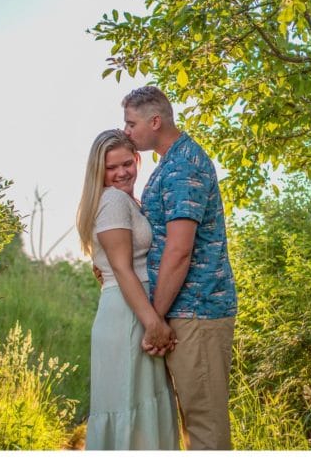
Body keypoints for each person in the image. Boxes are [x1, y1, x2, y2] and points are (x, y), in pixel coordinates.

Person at [122, 86, 238, 451]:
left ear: (154, 121)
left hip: (197, 312)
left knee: (205, 427)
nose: (126, 131)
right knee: (193, 423)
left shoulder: (184, 165)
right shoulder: (170, 163)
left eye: (131, 123)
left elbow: (179, 251)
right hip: (183, 311)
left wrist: (155, 319)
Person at [76, 129, 179, 450]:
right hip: (129, 314)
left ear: (137, 159)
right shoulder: (112, 200)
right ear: (99, 171)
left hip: (132, 307)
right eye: (111, 168)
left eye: (127, 163)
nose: (121, 173)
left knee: (139, 403)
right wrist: (153, 322)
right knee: (130, 407)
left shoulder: (128, 201)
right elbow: (121, 267)